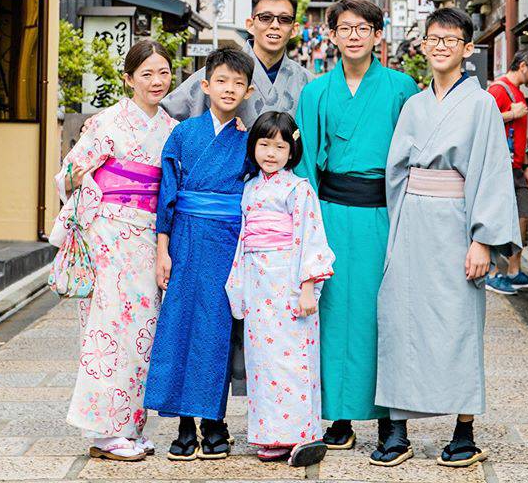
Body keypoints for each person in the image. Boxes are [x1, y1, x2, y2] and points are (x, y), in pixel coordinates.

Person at [376, 7, 522, 468]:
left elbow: (491, 171)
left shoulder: (481, 105)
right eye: (434, 39)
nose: (440, 46)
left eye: (450, 39)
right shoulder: (414, 105)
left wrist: (483, 239)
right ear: (423, 45)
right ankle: (396, 428)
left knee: (459, 324)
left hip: (458, 224)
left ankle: (463, 431)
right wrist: (397, 223)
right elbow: (396, 171)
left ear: (467, 48)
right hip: (412, 222)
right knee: (401, 320)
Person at [295, 0, 419, 459]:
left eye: (362, 28)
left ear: (377, 35)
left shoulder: (401, 87)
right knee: (332, 314)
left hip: (384, 212)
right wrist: (309, 225)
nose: (353, 36)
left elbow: (414, 155)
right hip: (329, 213)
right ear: (331, 35)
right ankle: (340, 417)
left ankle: (392, 420)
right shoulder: (316, 93)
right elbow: (304, 163)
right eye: (344, 28)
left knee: (383, 314)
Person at [49, 40, 178, 462]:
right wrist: (86, 179)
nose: (156, 81)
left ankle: (129, 427)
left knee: (143, 332)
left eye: (163, 72)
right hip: (108, 236)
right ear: (128, 79)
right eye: (146, 74)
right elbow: (67, 175)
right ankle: (105, 432)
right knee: (109, 330)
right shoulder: (107, 122)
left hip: (147, 236)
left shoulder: (171, 127)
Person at [143, 48, 255, 461]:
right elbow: (167, 195)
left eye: (238, 83)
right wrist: (162, 249)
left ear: (248, 91)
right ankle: (184, 424)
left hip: (228, 241)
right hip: (186, 239)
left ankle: (214, 421)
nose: (229, 89)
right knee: (179, 327)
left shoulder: (249, 140)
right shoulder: (183, 134)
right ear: (205, 86)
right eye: (221, 81)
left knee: (216, 333)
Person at [226, 112, 335, 467]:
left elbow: (311, 237)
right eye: (264, 144)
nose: (271, 153)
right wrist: (239, 286)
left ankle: (301, 434)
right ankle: (270, 433)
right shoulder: (250, 188)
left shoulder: (298, 189)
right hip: (258, 283)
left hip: (288, 280)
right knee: (263, 363)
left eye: (280, 146)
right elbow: (243, 240)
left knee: (293, 360)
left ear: (292, 151)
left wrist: (307, 287)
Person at [162, 0, 312, 127]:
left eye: (284, 19)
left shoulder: (307, 83)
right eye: (266, 17)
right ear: (250, 25)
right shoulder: (218, 72)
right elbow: (164, 114)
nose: (275, 25)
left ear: (294, 29)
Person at [486, 47, 528, 294]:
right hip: (499, 167)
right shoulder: (498, 90)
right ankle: (491, 273)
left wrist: (525, 167)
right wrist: (512, 113)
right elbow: (483, 120)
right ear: (523, 66)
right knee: (495, 218)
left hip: (516, 168)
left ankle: (514, 271)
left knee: (523, 215)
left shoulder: (518, 92)